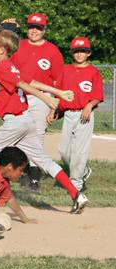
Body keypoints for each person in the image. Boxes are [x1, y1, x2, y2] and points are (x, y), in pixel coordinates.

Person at [0, 28, 88, 214]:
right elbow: (32, 82)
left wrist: (47, 99)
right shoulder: (11, 66)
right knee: (43, 160)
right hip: (26, 120)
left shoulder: (2, 67)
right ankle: (77, 195)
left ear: (2, 50)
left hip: (15, 122)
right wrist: (59, 92)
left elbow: (23, 84)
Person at [10, 13, 64, 193]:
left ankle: (34, 177)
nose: (34, 30)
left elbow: (58, 81)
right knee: (17, 134)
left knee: (38, 136)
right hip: (20, 95)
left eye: (38, 28)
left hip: (42, 97)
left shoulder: (52, 50)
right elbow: (8, 71)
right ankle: (21, 172)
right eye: (32, 27)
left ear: (44, 30)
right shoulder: (18, 46)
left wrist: (54, 106)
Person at [48, 36, 103, 192]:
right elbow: (58, 94)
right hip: (69, 115)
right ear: (72, 53)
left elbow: (97, 96)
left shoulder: (93, 72)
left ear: (89, 53)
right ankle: (84, 171)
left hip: (85, 114)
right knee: (64, 150)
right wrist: (53, 110)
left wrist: (89, 105)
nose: (80, 54)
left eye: (83, 51)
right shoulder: (65, 70)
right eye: (77, 51)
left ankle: (76, 182)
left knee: (80, 149)